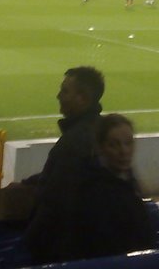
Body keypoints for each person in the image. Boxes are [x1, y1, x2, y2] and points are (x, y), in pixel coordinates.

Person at [24, 66, 105, 264]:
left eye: (65, 91)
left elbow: (55, 201)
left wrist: (31, 240)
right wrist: (33, 182)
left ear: (83, 98)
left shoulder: (74, 143)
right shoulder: (101, 131)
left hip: (68, 250)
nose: (58, 96)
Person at [76, 114, 155, 259]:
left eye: (128, 143)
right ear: (100, 147)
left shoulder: (126, 179)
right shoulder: (95, 191)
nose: (123, 151)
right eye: (114, 144)